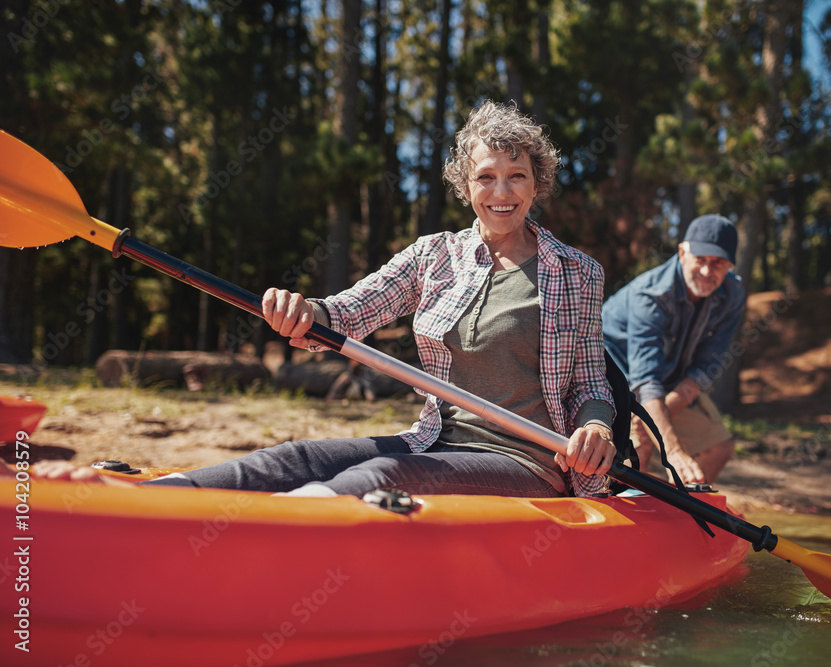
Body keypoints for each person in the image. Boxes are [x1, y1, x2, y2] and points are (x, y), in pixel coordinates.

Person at [24, 101, 618, 498]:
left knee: (381, 474)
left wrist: (596, 431)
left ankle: (282, 534)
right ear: (466, 188)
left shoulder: (574, 272)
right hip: (435, 439)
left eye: (517, 176)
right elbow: (352, 310)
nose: (502, 191)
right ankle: (155, 501)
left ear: (537, 183)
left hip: (529, 461)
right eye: (486, 176)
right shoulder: (435, 254)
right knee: (297, 456)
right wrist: (307, 313)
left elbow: (592, 386)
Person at [602, 214, 745, 486]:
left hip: (667, 383)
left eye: (717, 263)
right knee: (635, 455)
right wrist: (673, 450)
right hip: (613, 379)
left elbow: (705, 369)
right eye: (700, 259)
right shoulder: (650, 296)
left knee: (719, 448)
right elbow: (645, 382)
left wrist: (653, 422)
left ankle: (682, 514)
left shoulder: (733, 292)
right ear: (682, 253)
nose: (706, 271)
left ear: (730, 266)